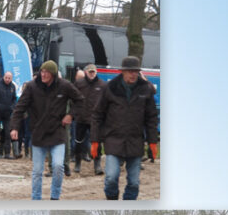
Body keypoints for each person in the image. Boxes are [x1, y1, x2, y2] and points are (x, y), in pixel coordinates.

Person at [9, 60, 83, 200]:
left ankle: (55, 197)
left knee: (58, 167)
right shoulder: (31, 87)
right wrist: (14, 128)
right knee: (37, 171)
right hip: (38, 134)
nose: (43, 74)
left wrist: (70, 115)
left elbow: (80, 100)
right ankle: (36, 198)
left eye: (46, 72)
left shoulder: (64, 86)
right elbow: (19, 108)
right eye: (42, 71)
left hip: (57, 133)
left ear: (53, 74)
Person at [90, 56, 159, 200]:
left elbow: (151, 118)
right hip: (113, 140)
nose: (133, 74)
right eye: (130, 71)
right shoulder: (110, 88)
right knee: (111, 177)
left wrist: (152, 142)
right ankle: (112, 199)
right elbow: (97, 115)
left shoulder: (146, 89)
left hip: (135, 141)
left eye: (135, 71)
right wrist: (95, 140)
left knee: (134, 183)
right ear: (123, 72)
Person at [74, 64, 106, 175]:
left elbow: (106, 101)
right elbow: (73, 99)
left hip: (95, 119)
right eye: (90, 72)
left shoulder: (102, 85)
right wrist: (74, 113)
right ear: (86, 72)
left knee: (96, 142)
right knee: (78, 142)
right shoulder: (79, 83)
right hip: (81, 118)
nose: (92, 74)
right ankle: (77, 163)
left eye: (93, 72)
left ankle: (97, 165)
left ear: (96, 72)